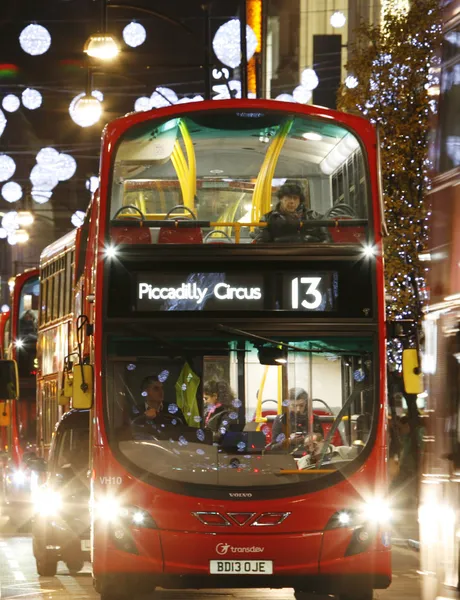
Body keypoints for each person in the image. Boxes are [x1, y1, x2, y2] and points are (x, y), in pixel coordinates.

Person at [253, 182, 330, 243]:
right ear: (281, 199)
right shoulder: (268, 218)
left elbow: (327, 239)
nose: (292, 202)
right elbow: (261, 242)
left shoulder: (313, 216)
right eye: (288, 197)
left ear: (300, 201)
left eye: (295, 198)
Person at [270, 387, 324, 451]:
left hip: (308, 457)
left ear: (306, 405)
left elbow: (322, 445)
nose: (298, 409)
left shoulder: (314, 419)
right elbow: (273, 448)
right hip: (287, 457)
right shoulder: (281, 420)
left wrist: (311, 441)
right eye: (294, 406)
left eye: (301, 406)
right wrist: (289, 441)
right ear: (288, 405)